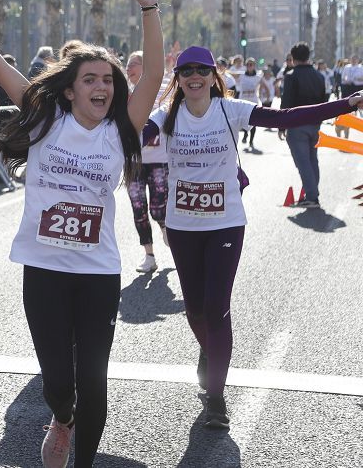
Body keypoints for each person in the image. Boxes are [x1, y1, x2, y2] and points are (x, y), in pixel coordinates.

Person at [0, 0, 164, 468]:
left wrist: (149, 9)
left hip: (97, 271)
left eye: (107, 80)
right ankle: (62, 417)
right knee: (57, 382)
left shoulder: (119, 130)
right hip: (45, 270)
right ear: (69, 90)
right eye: (89, 79)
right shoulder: (45, 119)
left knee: (94, 378)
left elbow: (155, 76)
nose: (101, 87)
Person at [144, 45, 362, 430]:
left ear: (214, 76)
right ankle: (209, 354)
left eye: (202, 69)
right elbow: (133, 132)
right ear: (177, 79)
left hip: (226, 223)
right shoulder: (166, 116)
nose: (194, 76)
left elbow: (289, 117)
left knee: (216, 307)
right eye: (186, 70)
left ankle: (216, 399)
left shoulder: (231, 110)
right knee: (194, 309)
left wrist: (346, 104)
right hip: (183, 226)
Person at [124, 51, 170, 274]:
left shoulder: (162, 93)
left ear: (146, 67)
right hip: (133, 163)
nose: (128, 68)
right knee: (138, 207)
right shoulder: (122, 94)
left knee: (158, 208)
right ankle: (149, 255)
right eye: (127, 64)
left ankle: (164, 226)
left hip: (159, 159)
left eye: (134, 63)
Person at [280, 42, 329, 208]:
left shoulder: (291, 76)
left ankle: (312, 196)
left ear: (293, 59)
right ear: (308, 57)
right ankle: (313, 192)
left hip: (297, 124)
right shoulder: (319, 76)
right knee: (313, 159)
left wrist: (281, 125)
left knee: (303, 163)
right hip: (315, 123)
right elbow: (324, 100)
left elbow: (286, 102)